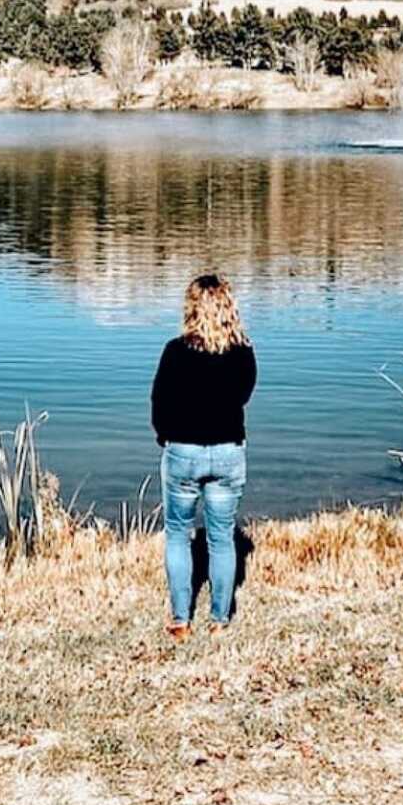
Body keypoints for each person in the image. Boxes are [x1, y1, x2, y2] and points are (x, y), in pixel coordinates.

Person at [151, 274, 257, 640]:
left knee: (178, 534)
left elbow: (159, 403)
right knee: (222, 537)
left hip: (183, 450)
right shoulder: (243, 353)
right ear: (229, 307)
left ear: (191, 307)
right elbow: (243, 397)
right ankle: (220, 619)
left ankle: (181, 619)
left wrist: (165, 436)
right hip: (228, 450)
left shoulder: (175, 352)